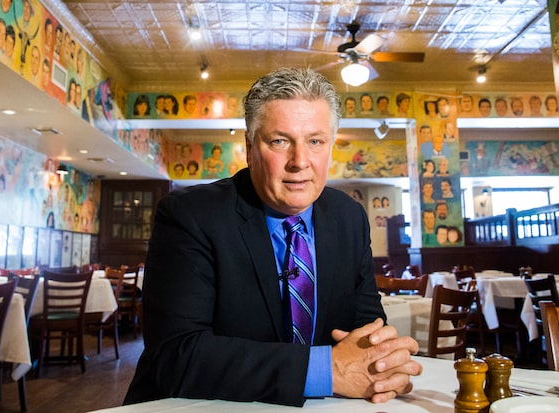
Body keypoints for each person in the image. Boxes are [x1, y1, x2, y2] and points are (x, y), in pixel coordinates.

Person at [125, 68, 421, 407]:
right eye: (279, 141)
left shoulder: (349, 217)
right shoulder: (190, 215)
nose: (300, 162)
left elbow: (366, 331)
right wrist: (328, 371)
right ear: (249, 148)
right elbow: (176, 356)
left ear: (330, 147)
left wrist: (383, 362)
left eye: (315, 141)